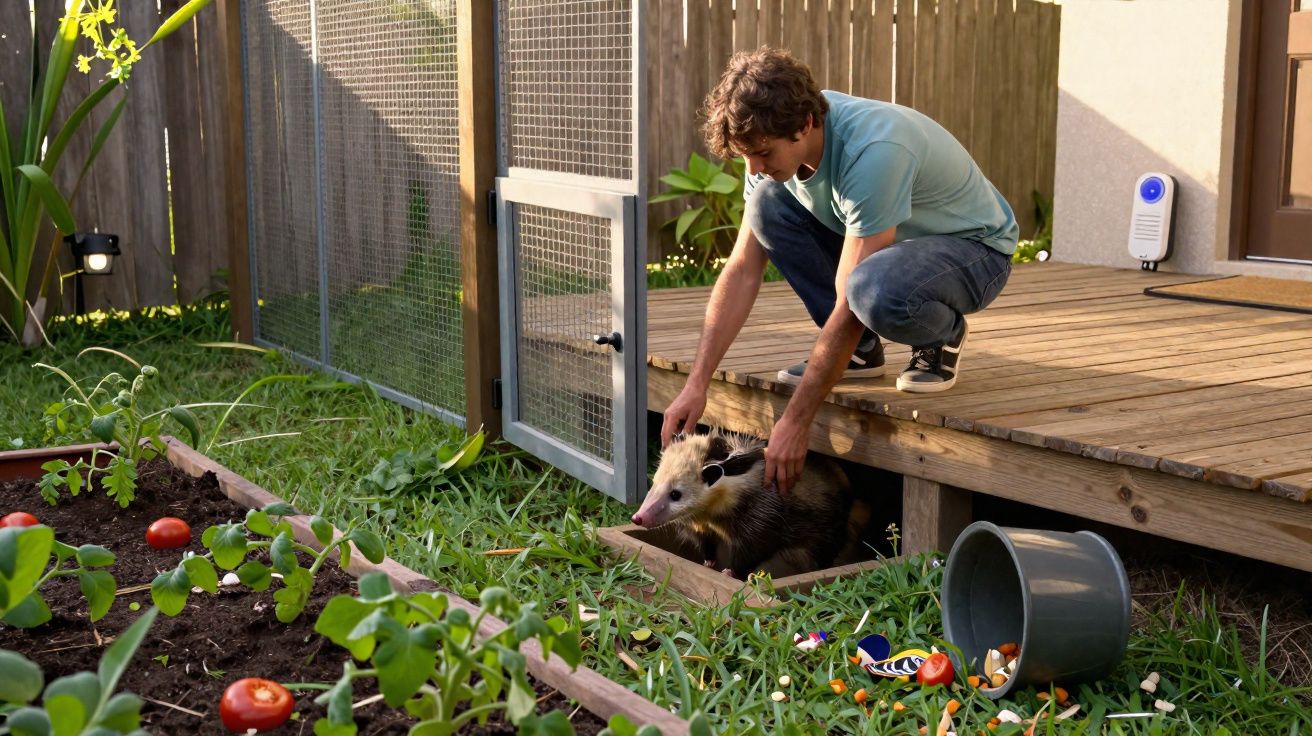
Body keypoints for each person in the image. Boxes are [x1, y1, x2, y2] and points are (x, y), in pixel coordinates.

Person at [659, 47, 1018, 494]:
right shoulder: (772, 152)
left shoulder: (874, 150)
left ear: (804, 124)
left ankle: (939, 335)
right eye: (745, 156)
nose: (753, 168)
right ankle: (862, 351)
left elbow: (851, 300)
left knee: (873, 289)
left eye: (763, 153)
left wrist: (795, 421)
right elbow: (742, 270)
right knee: (766, 205)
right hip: (894, 251)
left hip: (974, 251)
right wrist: (697, 384)